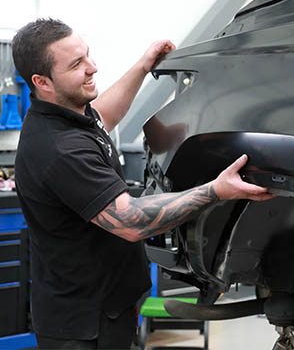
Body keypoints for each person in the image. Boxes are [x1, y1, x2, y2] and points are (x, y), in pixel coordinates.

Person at [12, 18, 274, 350]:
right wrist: (215, 190)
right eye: (77, 64)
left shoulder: (69, 113)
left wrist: (143, 65)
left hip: (107, 306)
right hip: (81, 326)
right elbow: (130, 221)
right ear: (42, 82)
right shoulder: (59, 149)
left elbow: (105, 114)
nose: (93, 68)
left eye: (88, 55)